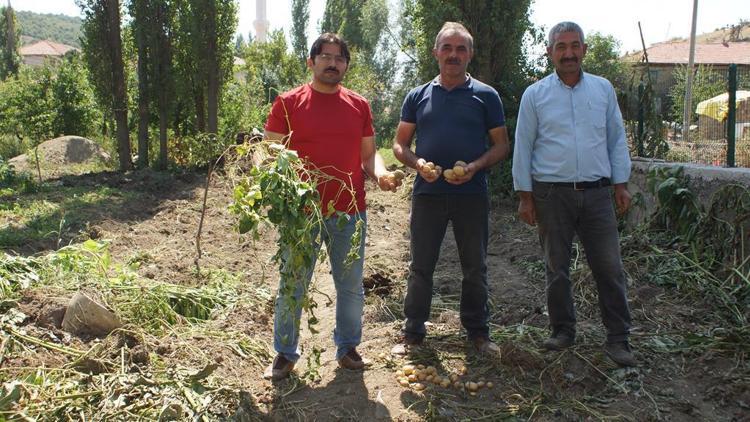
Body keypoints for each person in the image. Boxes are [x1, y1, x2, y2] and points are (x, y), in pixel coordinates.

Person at [262, 33, 401, 380]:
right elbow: (268, 154)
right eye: (325, 56)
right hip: (301, 214)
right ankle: (284, 353)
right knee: (293, 283)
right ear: (311, 62)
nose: (332, 62)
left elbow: (369, 156)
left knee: (351, 284)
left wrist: (382, 175)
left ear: (346, 66)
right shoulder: (288, 103)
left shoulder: (359, 106)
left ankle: (348, 347)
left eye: (340, 58)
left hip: (348, 211)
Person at [512, 21, 636, 366]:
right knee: (557, 266)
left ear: (583, 49)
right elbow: (524, 147)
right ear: (550, 52)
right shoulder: (535, 95)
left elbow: (615, 138)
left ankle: (618, 338)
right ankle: (563, 330)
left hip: (597, 195)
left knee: (609, 266)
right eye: (561, 46)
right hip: (552, 194)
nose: (568, 53)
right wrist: (525, 195)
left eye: (574, 45)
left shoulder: (602, 90)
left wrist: (620, 184)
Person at [392, 22, 510, 355]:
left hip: (471, 195)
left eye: (461, 49)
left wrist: (473, 167)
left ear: (470, 54)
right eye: (447, 48)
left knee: (475, 266)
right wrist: (418, 165)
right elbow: (400, 145)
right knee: (420, 266)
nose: (453, 55)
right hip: (427, 194)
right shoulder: (418, 96)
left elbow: (501, 146)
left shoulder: (486, 96)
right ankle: (413, 333)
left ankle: (478, 333)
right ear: (435, 53)